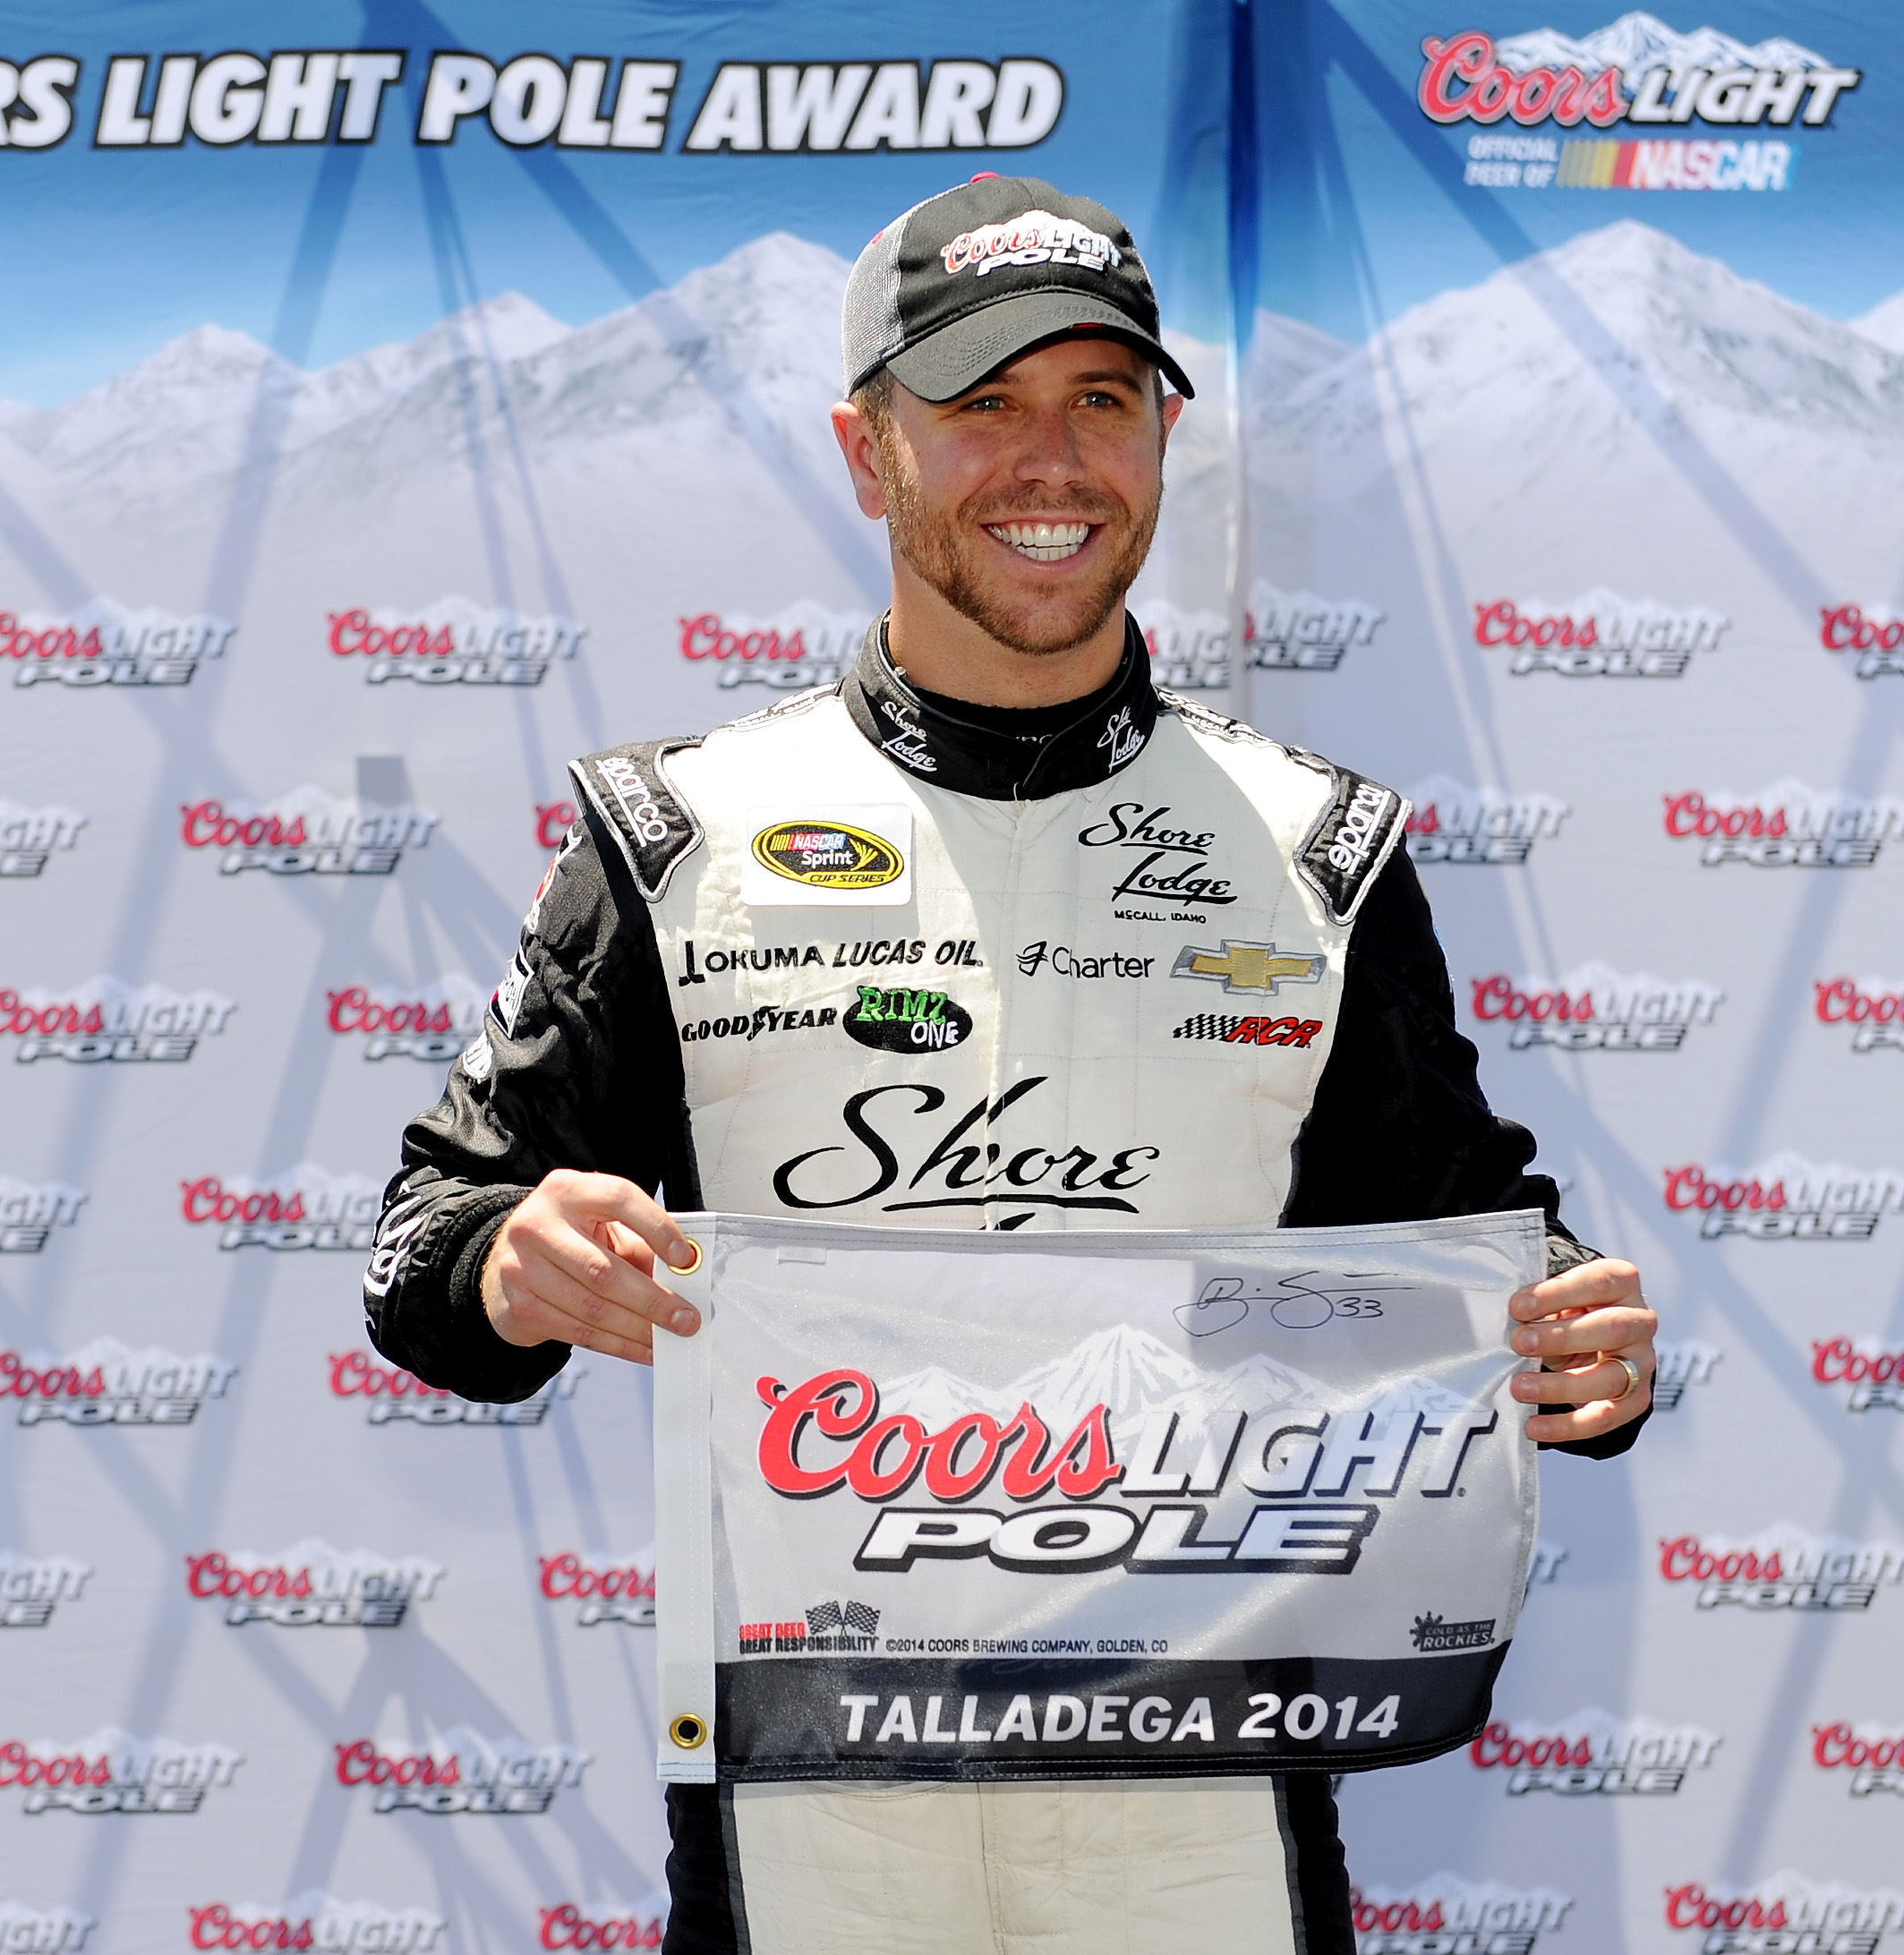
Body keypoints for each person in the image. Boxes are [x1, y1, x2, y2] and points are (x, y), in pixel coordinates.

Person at [363, 175, 1656, 1955]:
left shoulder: (1318, 849)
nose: (1052, 462)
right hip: (812, 1809)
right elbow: (422, 1243)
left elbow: (1467, 1232)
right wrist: (506, 1264)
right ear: (866, 451)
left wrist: (1580, 1333)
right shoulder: (677, 837)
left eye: (1101, 401)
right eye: (982, 403)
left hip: (1202, 1809)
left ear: (1164, 436)